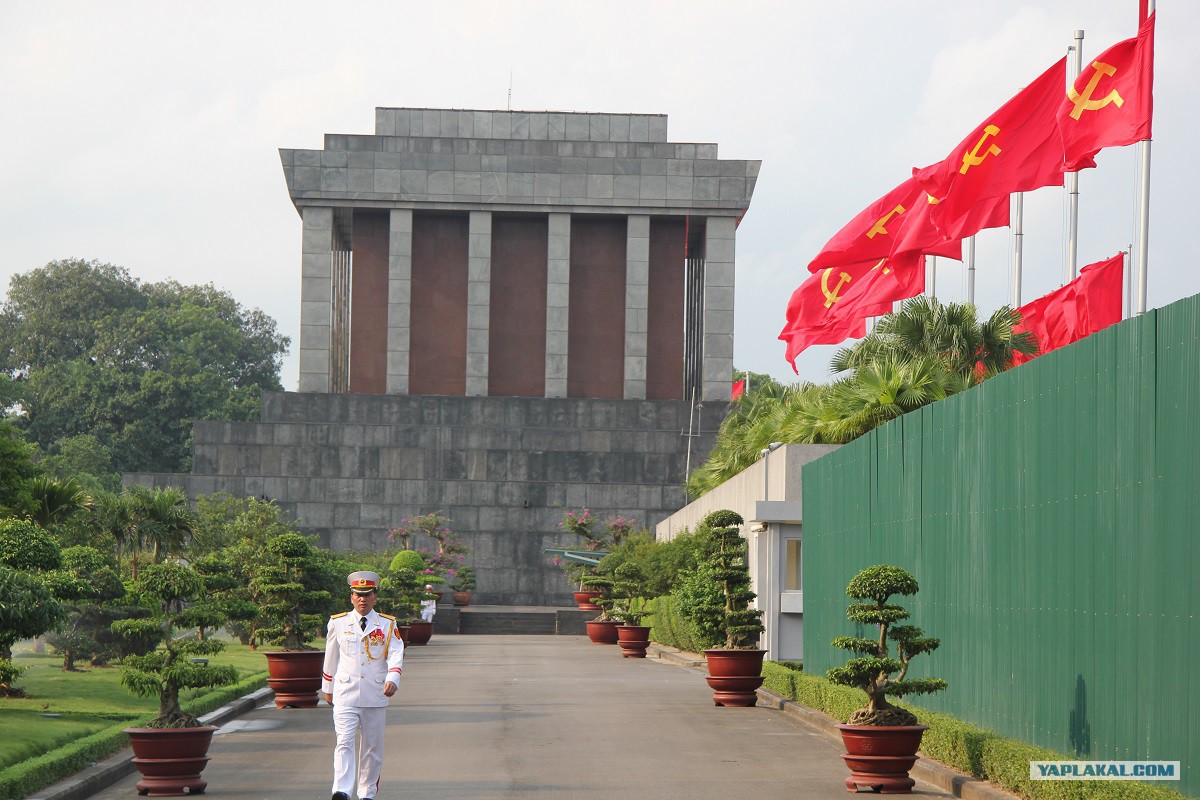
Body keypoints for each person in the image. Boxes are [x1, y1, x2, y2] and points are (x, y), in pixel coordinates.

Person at [322, 571, 403, 800]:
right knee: (344, 741)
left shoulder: (387, 624)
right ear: (351, 597)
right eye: (358, 594)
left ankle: (367, 792)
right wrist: (327, 687)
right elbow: (331, 656)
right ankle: (342, 790)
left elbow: (396, 652)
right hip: (345, 692)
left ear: (375, 597)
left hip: (375, 693)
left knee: (372, 747)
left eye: (367, 595)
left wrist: (393, 678)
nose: (362, 599)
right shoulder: (338, 622)